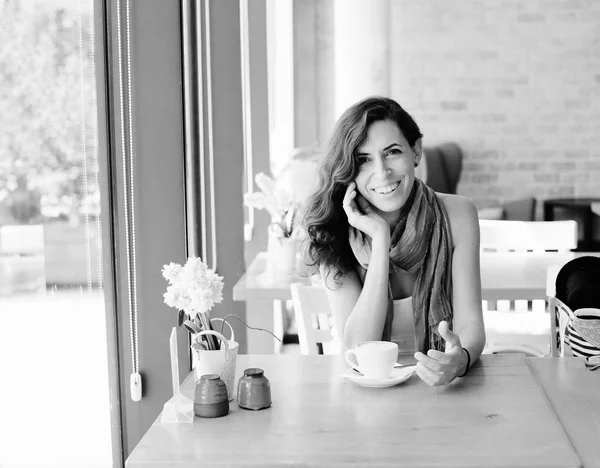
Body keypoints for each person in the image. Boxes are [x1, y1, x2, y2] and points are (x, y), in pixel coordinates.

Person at [303, 96, 485, 386]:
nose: (382, 171)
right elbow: (358, 347)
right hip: (364, 391)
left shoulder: (459, 214)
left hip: (439, 388)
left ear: (415, 151)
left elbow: (471, 323)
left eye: (392, 152)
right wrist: (379, 240)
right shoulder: (333, 230)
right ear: (348, 168)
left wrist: (460, 359)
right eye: (363, 160)